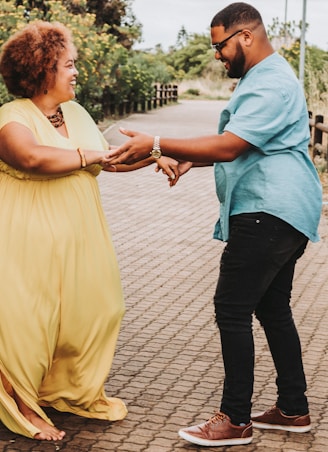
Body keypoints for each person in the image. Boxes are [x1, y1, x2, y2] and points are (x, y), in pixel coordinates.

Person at [107, 2, 323, 448]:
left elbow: (231, 145)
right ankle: (292, 409)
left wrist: (159, 141)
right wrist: (189, 158)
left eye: (220, 46)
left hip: (269, 211)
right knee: (272, 308)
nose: (217, 55)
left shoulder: (271, 82)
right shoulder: (263, 78)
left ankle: (235, 419)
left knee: (232, 307)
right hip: (285, 210)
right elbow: (245, 146)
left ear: (245, 36)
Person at [0, 20, 179, 441]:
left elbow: (109, 160)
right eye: (69, 64)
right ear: (43, 69)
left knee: (99, 309)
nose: (76, 71)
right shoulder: (12, 116)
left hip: (80, 234)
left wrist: (155, 154)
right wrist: (93, 153)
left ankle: (59, 389)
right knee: (29, 321)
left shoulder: (76, 113)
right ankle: (24, 405)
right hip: (25, 236)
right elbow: (32, 158)